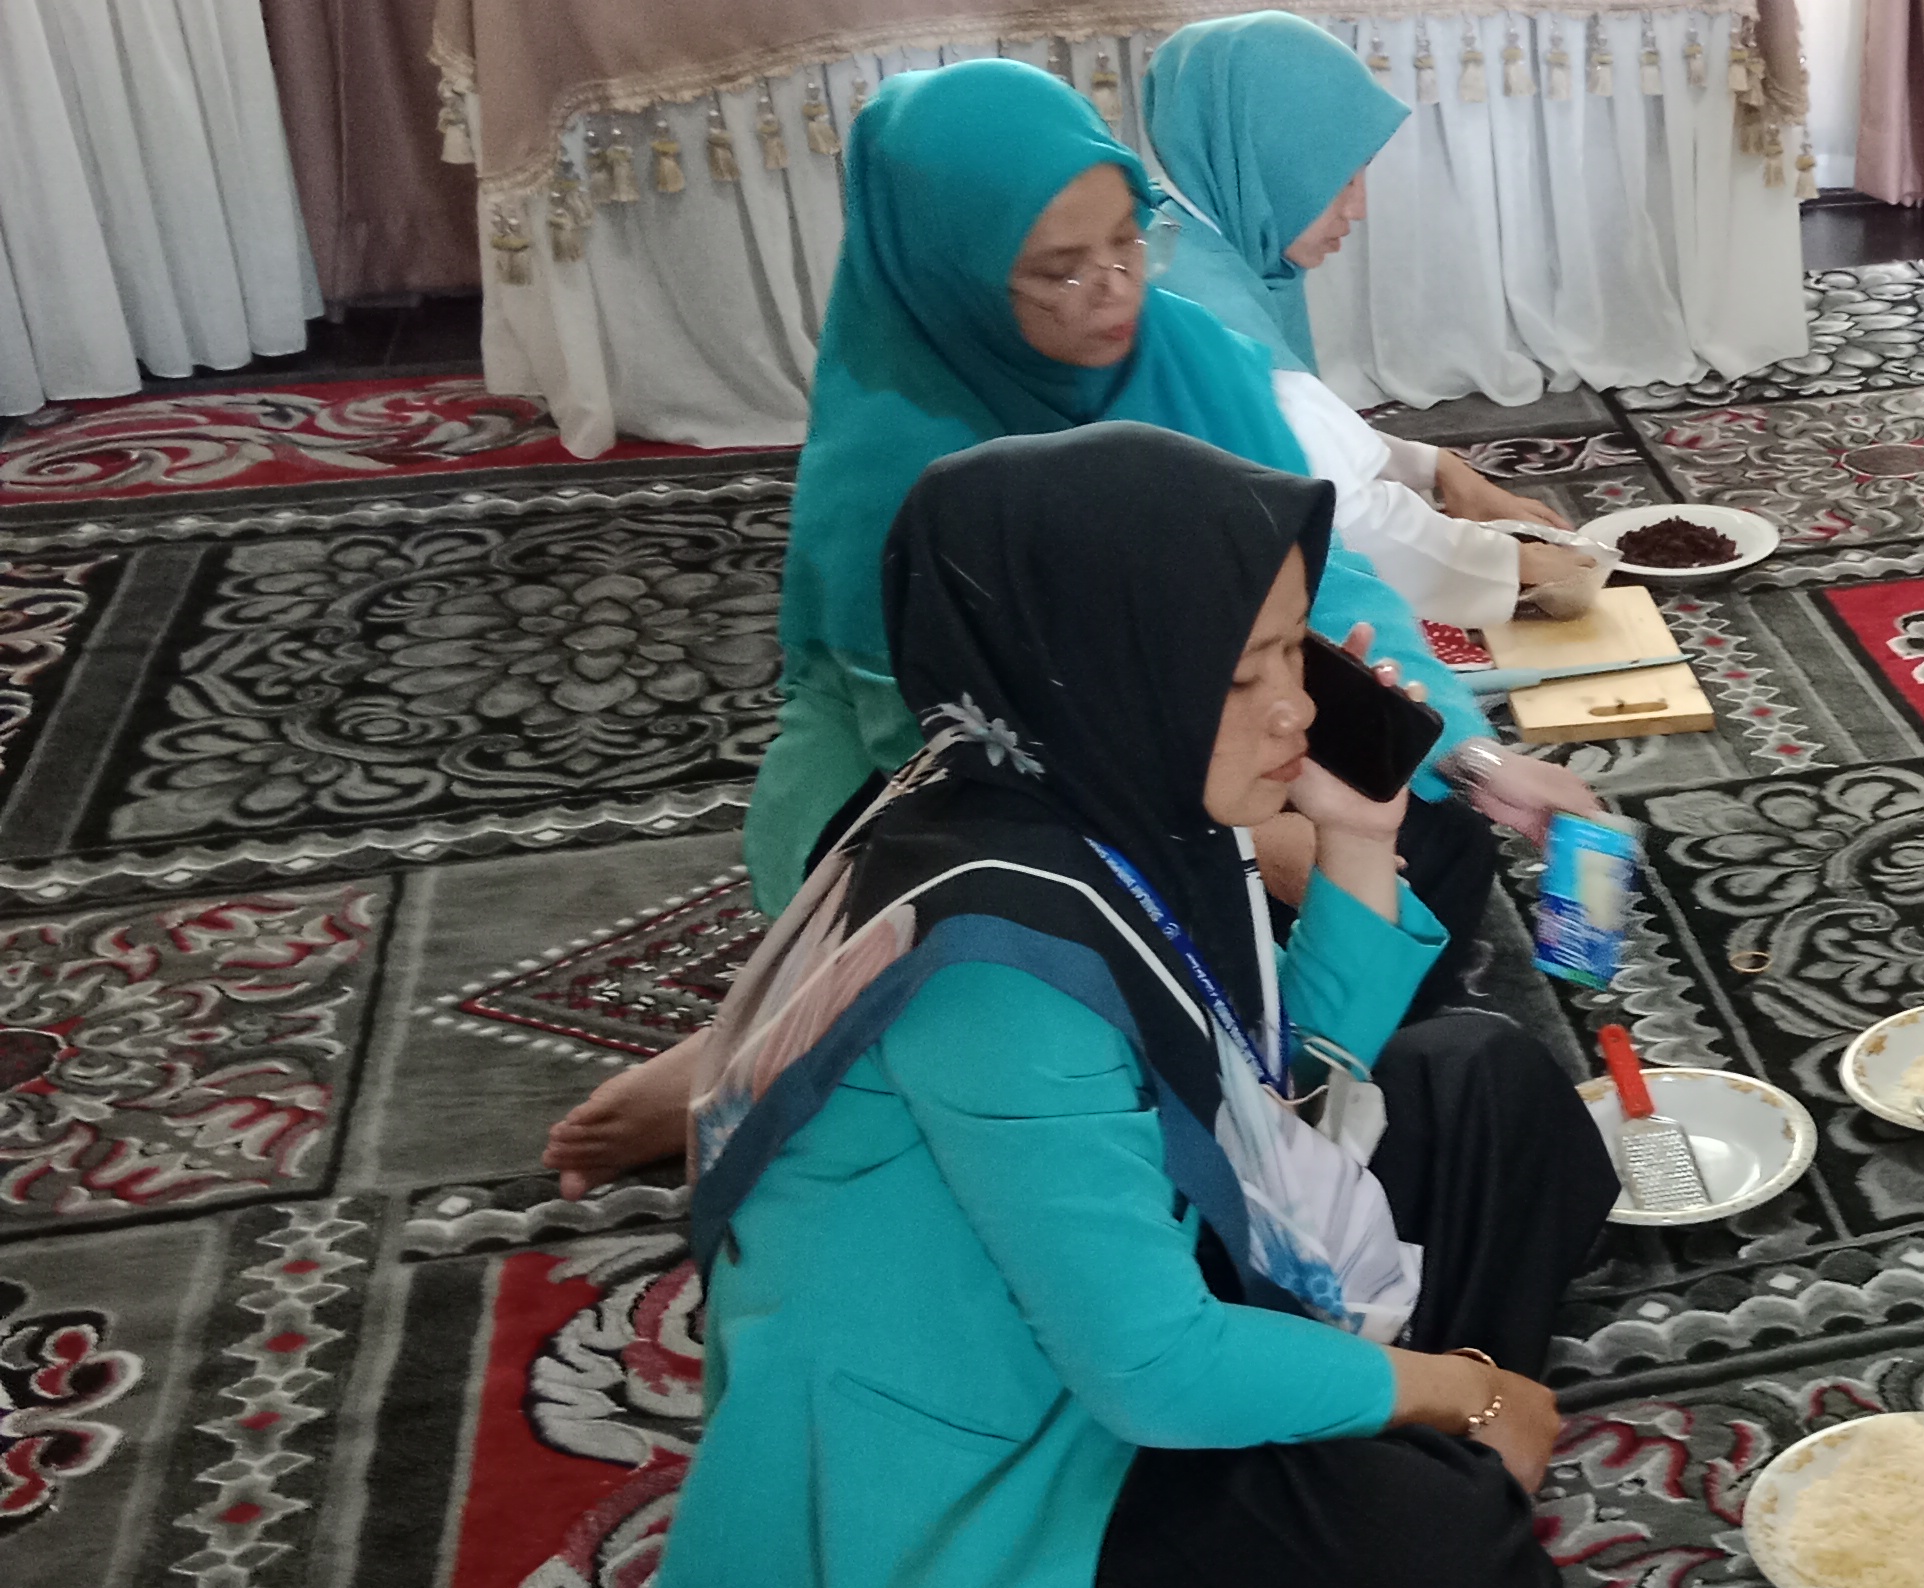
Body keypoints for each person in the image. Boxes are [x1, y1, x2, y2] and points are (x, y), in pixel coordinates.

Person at [650, 422, 1615, 1588]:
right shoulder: (995, 968)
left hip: (1129, 1280)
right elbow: (1149, 1369)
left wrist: (1357, 837)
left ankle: (1366, 1438)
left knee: (1486, 1083)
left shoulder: (1111, 791)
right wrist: (1452, 1395)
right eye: (1244, 673)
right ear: (1104, 670)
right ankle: (1381, 1464)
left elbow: (1286, 1074)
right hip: (1002, 1453)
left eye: (1297, 653)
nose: (1295, 710)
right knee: (1442, 1578)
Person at [543, 57, 1599, 1195]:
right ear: (951, 272)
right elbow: (967, 755)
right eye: (1057, 269)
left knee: (1421, 827)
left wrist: (1471, 755)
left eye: (1127, 243)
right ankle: (766, 1052)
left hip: (1203, 716)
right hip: (964, 796)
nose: (1113, 290)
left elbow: (1324, 583)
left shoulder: (1185, 355)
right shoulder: (899, 464)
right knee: (1154, 958)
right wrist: (1249, 842)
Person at [1140, 11, 1609, 630]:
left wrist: (1437, 468)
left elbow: (1306, 434)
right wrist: (1514, 563)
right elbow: (1343, 517)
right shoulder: (1205, 305)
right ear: (1270, 160)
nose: (1358, 207)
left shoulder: (1179, 238)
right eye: (1341, 178)